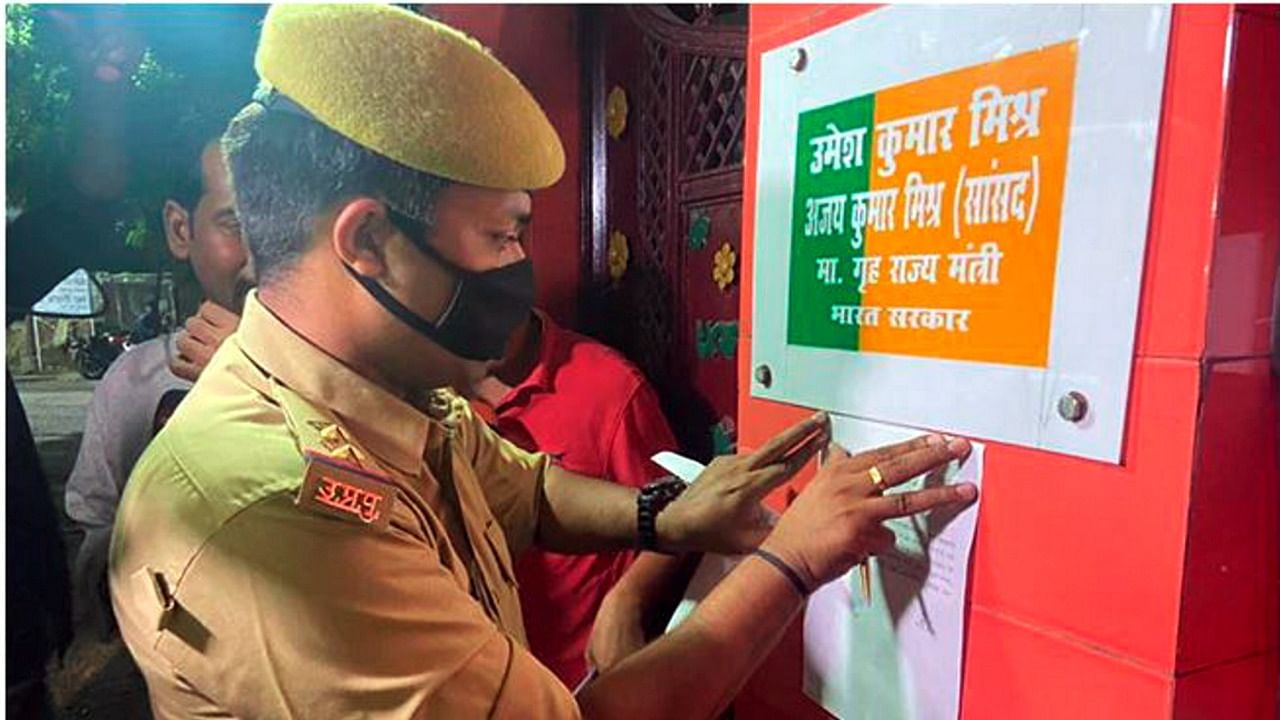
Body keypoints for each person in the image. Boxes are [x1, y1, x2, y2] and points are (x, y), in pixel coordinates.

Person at [108, 6, 978, 719]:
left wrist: (664, 517)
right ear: (369, 239)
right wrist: (790, 562)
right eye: (499, 236)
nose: (520, 270)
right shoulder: (276, 518)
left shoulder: (393, 388)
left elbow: (523, 489)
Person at [65, 132, 250, 639]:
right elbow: (99, 531)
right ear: (180, 228)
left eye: (284, 223)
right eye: (235, 222)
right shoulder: (134, 381)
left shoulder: (356, 369)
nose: (265, 252)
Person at [470, 309, 683, 685]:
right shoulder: (424, 388)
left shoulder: (609, 386)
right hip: (476, 680)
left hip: (578, 682)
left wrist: (627, 600)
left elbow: (679, 518)